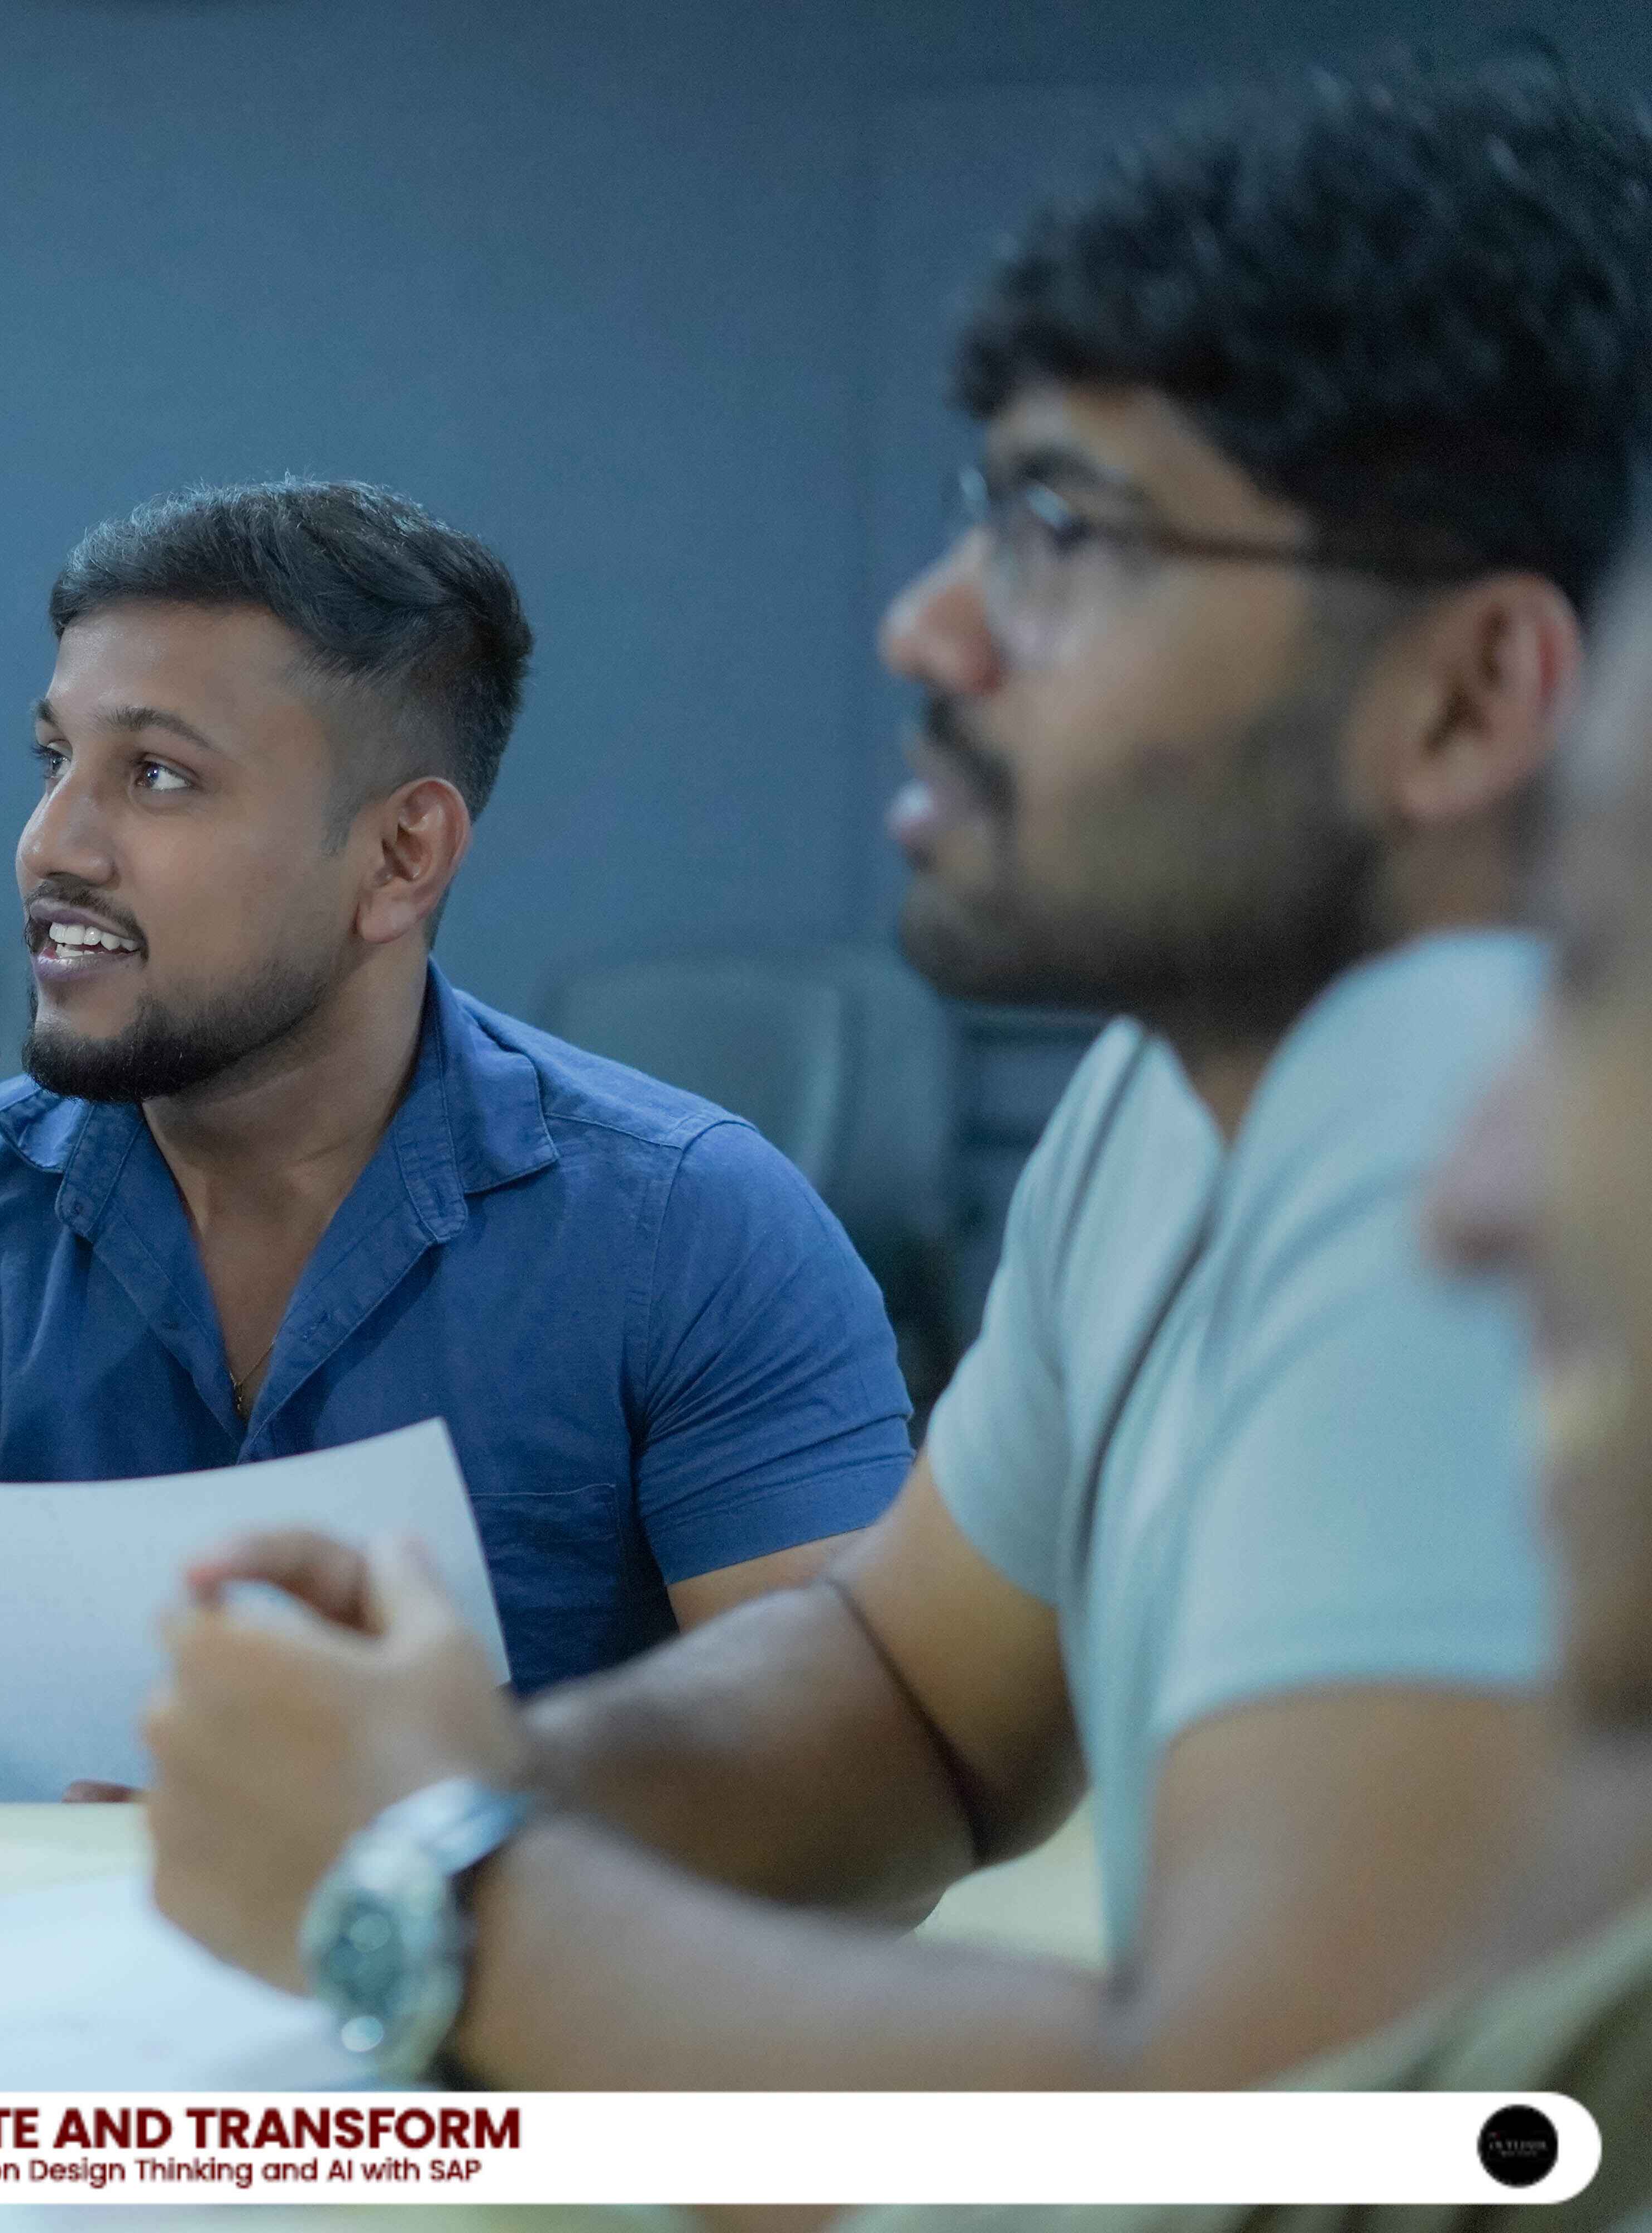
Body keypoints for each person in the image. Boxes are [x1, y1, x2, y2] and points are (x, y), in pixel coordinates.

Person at [139, 63, 1652, 2091]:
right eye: (981, 517)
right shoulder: (1174, 1086)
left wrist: (443, 1894)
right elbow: (912, 1695)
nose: (929, 629)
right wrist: (447, 1781)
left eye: (1067, 533)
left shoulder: (1467, 1114)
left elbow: (1278, 2159)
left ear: (1466, 698)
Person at [0, 479, 917, 1800]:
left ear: (401, 856)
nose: (51, 844)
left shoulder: (693, 1230)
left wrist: (422, 1835)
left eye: (158, 775)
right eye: (54, 761)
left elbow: (850, 1812)